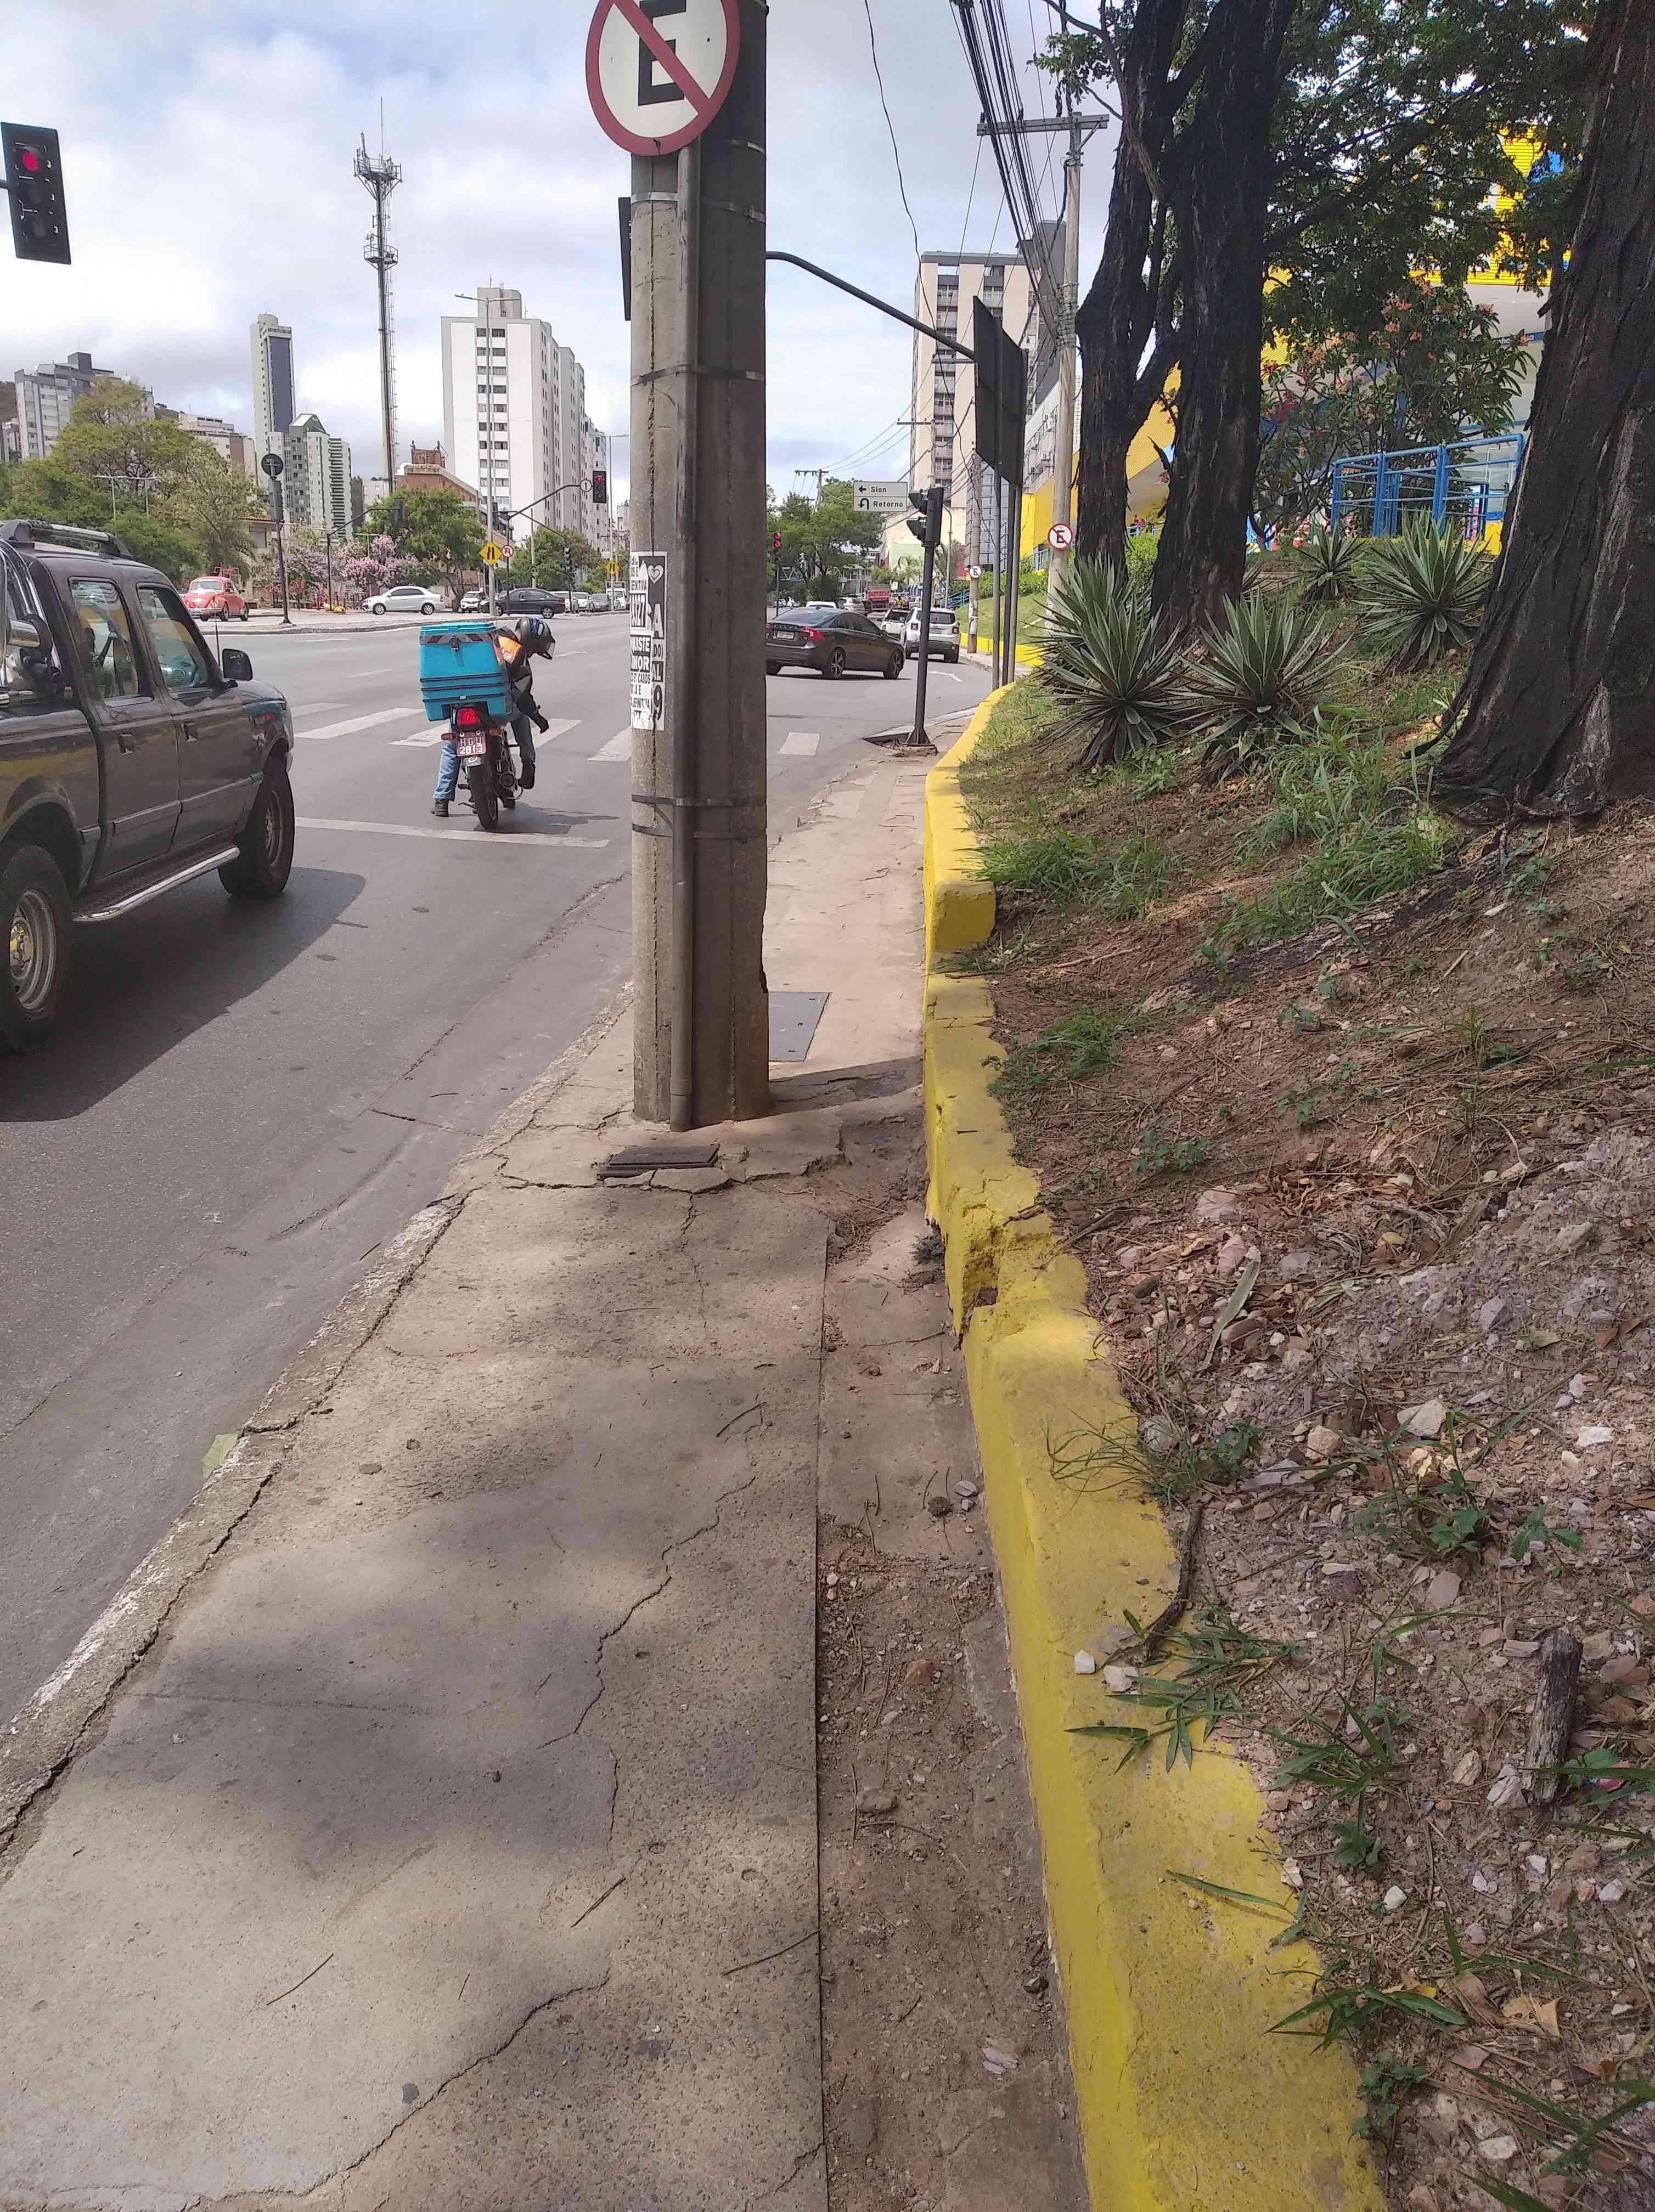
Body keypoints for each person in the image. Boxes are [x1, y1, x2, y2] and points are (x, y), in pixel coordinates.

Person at [431, 616, 555, 816]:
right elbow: (522, 695)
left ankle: (441, 800)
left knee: (451, 748)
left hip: (462, 706)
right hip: (493, 711)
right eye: (534, 648)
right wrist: (537, 717)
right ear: (529, 640)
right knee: (521, 715)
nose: (532, 653)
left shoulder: (486, 639)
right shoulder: (516, 651)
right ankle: (528, 763)